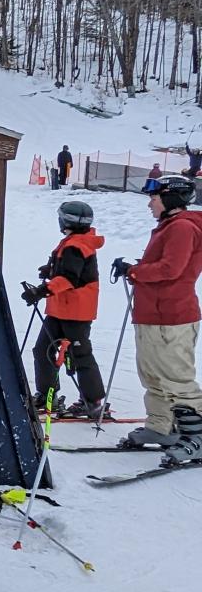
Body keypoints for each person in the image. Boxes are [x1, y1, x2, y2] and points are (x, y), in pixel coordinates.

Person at [112, 175, 202, 463]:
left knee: (176, 378)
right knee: (152, 375)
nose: (150, 202)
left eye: (155, 197)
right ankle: (161, 427)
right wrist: (134, 268)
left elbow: (171, 269)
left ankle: (197, 436)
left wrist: (135, 272)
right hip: (153, 314)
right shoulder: (170, 227)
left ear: (170, 199)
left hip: (171, 317)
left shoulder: (183, 228)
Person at [19, 201, 106, 419]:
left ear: (66, 221)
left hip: (75, 312)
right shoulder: (72, 242)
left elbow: (69, 278)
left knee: (79, 355)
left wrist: (43, 290)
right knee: (43, 350)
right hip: (60, 309)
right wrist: (50, 270)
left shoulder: (77, 246)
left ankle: (92, 401)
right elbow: (67, 270)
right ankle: (48, 394)